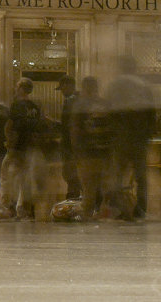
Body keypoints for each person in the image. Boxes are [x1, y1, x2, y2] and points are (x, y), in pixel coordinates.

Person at [106, 56, 155, 219]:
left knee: (118, 175)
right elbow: (152, 112)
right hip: (139, 138)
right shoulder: (144, 86)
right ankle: (141, 209)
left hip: (120, 137)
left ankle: (121, 209)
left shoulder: (114, 85)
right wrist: (148, 133)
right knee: (141, 177)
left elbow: (108, 110)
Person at [0, 78, 46, 220]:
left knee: (5, 176)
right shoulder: (35, 107)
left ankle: (3, 208)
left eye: (17, 87)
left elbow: (11, 125)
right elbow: (41, 124)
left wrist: (10, 142)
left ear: (22, 88)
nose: (15, 89)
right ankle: (22, 210)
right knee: (24, 180)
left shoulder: (17, 105)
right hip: (29, 147)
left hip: (17, 147)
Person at [71, 76, 112, 219]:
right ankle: (103, 216)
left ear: (84, 88)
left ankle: (88, 219)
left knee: (88, 191)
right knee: (106, 190)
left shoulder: (80, 106)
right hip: (105, 154)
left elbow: (75, 131)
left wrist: (76, 153)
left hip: (87, 154)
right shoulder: (106, 104)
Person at [57, 74, 82, 200]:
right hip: (72, 145)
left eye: (62, 88)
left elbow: (71, 125)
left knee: (72, 174)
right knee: (72, 174)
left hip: (71, 145)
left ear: (68, 85)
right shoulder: (75, 100)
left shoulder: (73, 101)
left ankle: (73, 198)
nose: (61, 91)